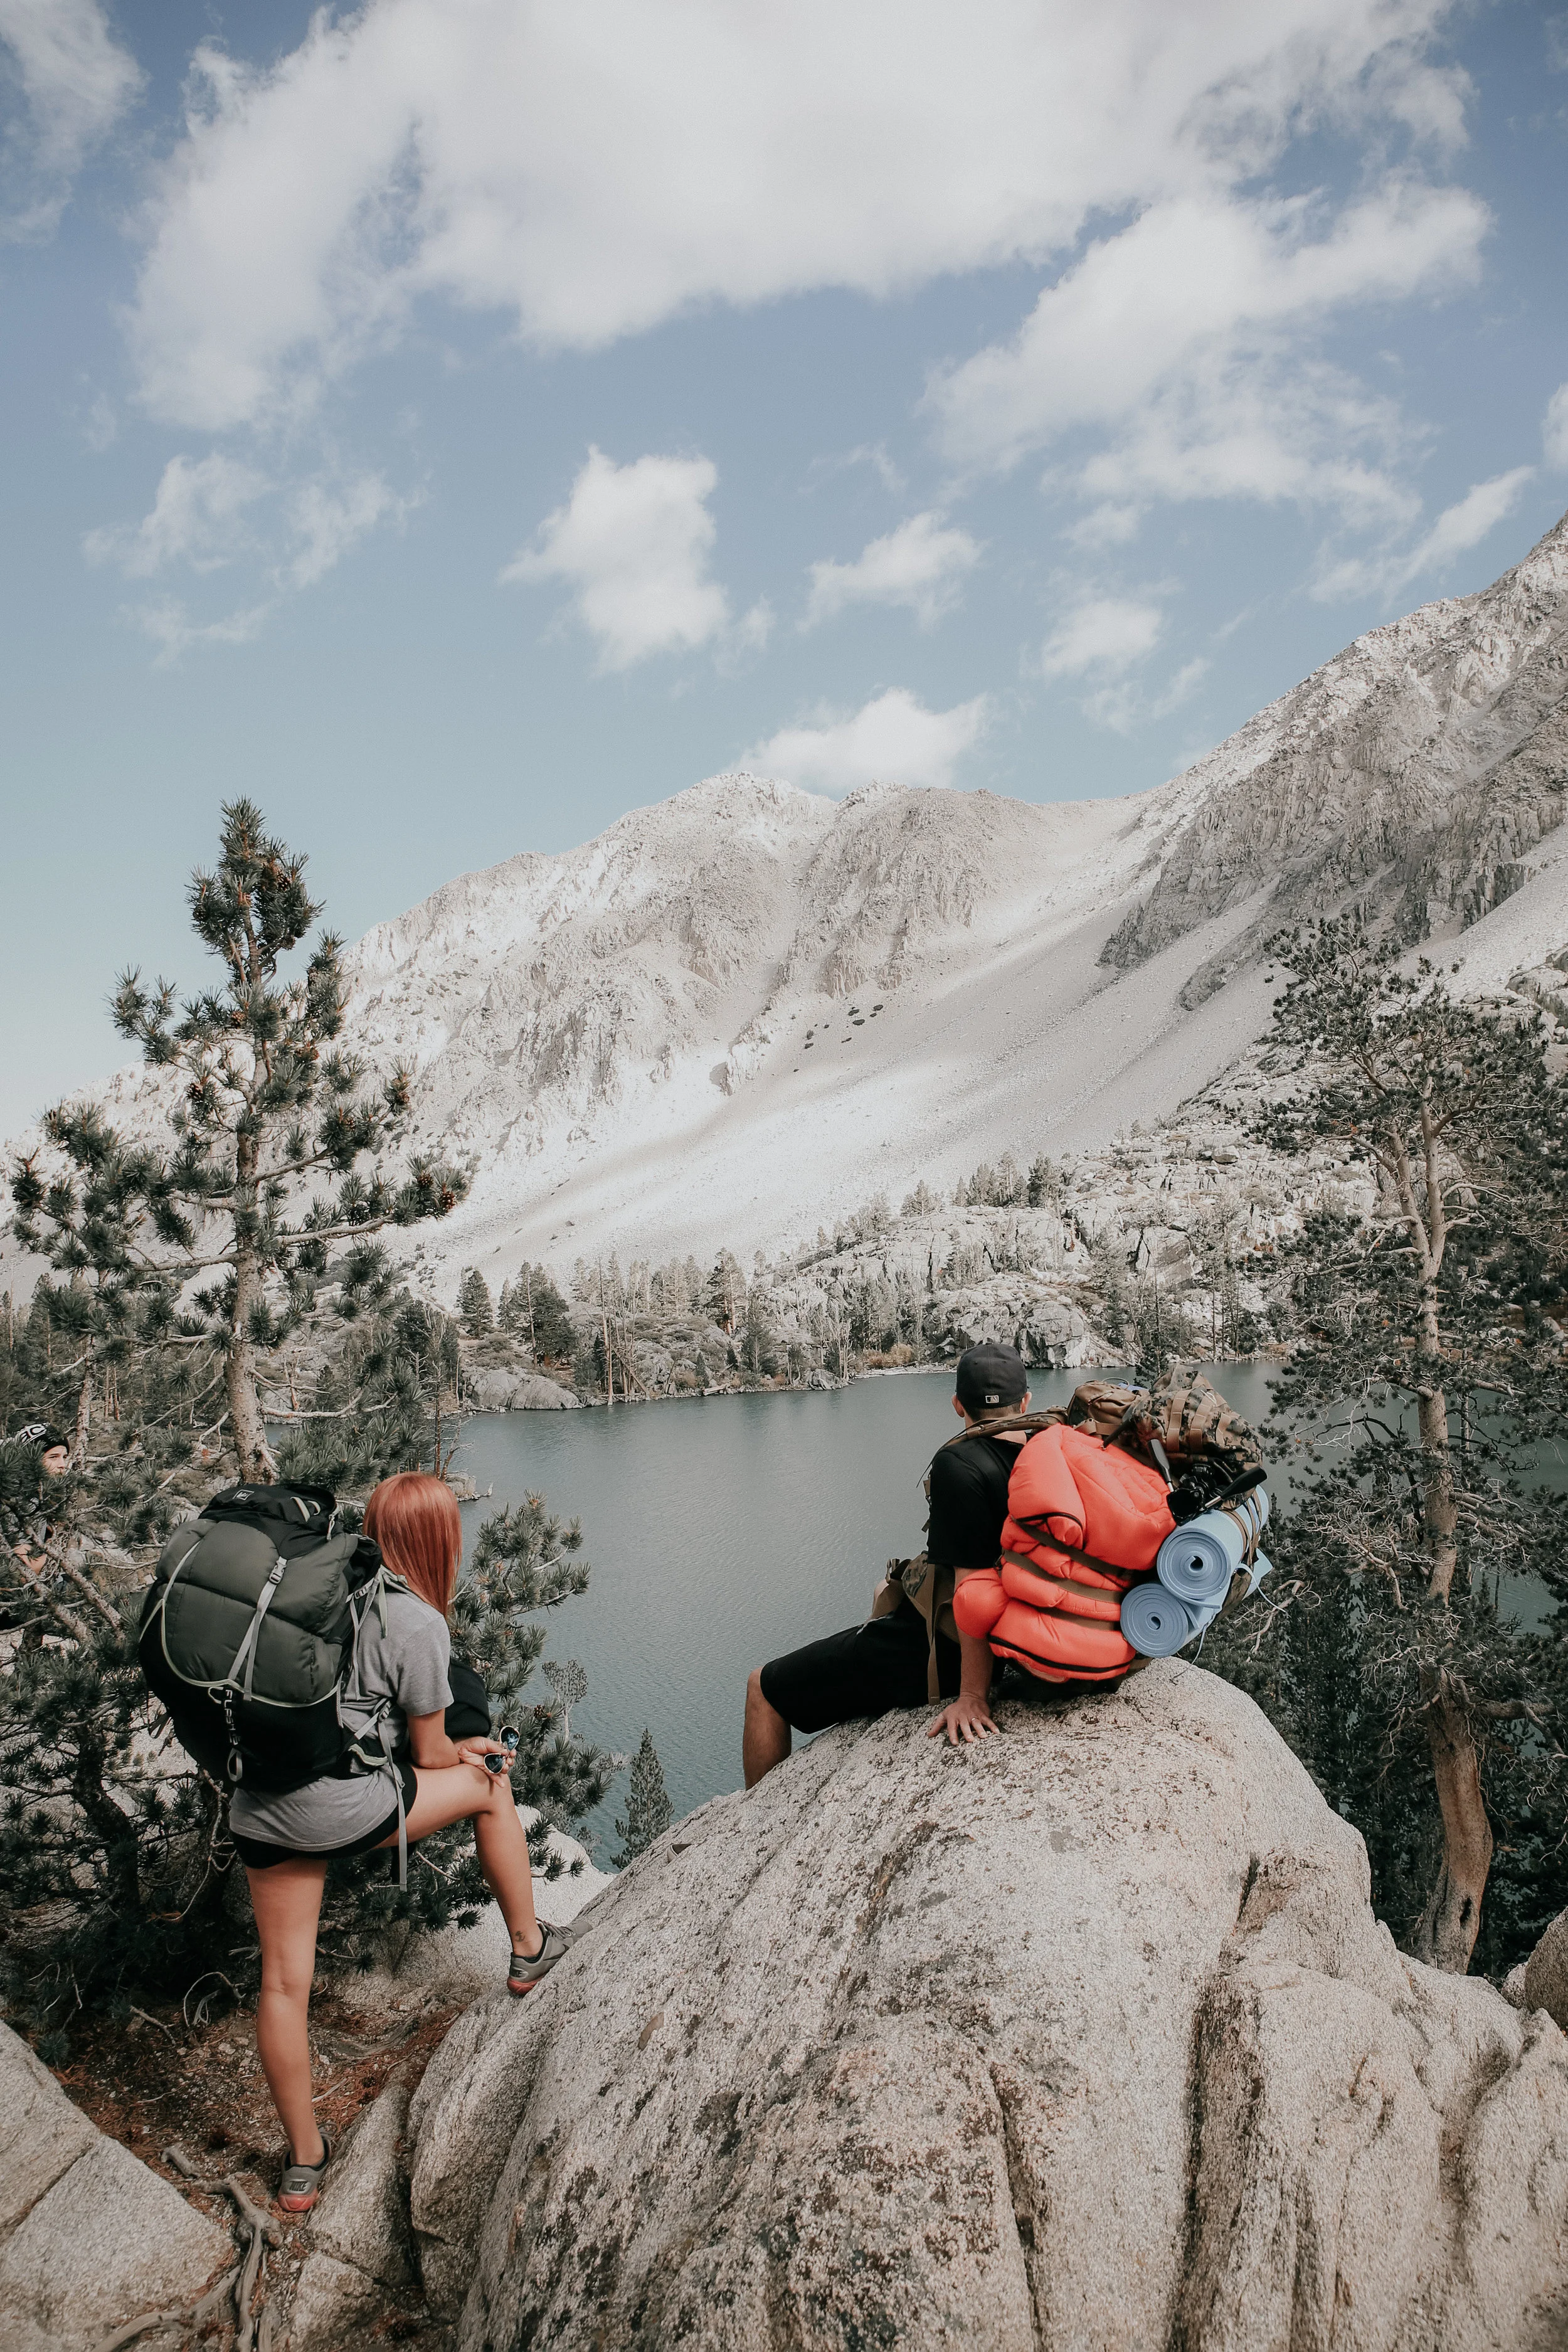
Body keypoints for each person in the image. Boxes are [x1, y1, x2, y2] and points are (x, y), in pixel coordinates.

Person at [226, 1470, 573, 2213]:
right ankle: (527, 1947)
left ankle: (303, 2165)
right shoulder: (415, 1620)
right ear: (441, 1540)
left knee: (283, 1983)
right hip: (343, 1811)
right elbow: (428, 1757)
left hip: (260, 1802)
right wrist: (479, 1752)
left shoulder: (313, 1593)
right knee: (490, 1784)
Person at [743, 1342, 1032, 1786]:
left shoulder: (960, 1463)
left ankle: (752, 1833)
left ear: (958, 1405)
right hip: (1027, 1633)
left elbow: (973, 1588)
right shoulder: (1045, 1453)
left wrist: (974, 1693)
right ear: (1027, 1402)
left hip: (949, 1650)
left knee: (764, 1687)